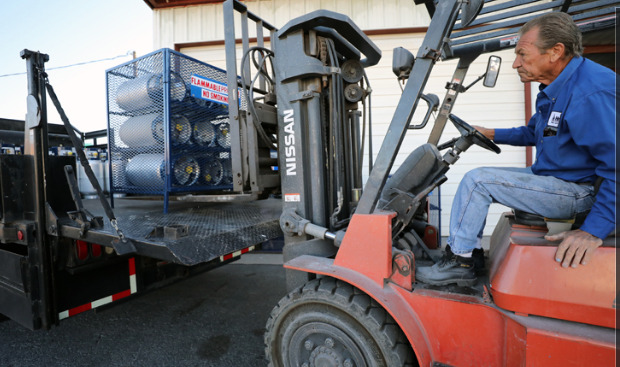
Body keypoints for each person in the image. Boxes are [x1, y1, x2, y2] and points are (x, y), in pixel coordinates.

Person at [416, 12, 616, 286]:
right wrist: (491, 134)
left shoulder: (589, 92)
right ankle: (470, 254)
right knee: (477, 179)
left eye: (522, 54)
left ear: (555, 52)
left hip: (580, 193)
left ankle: (458, 262)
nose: (515, 64)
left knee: (478, 182)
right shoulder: (556, 88)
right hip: (555, 179)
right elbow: (536, 132)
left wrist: (594, 230)